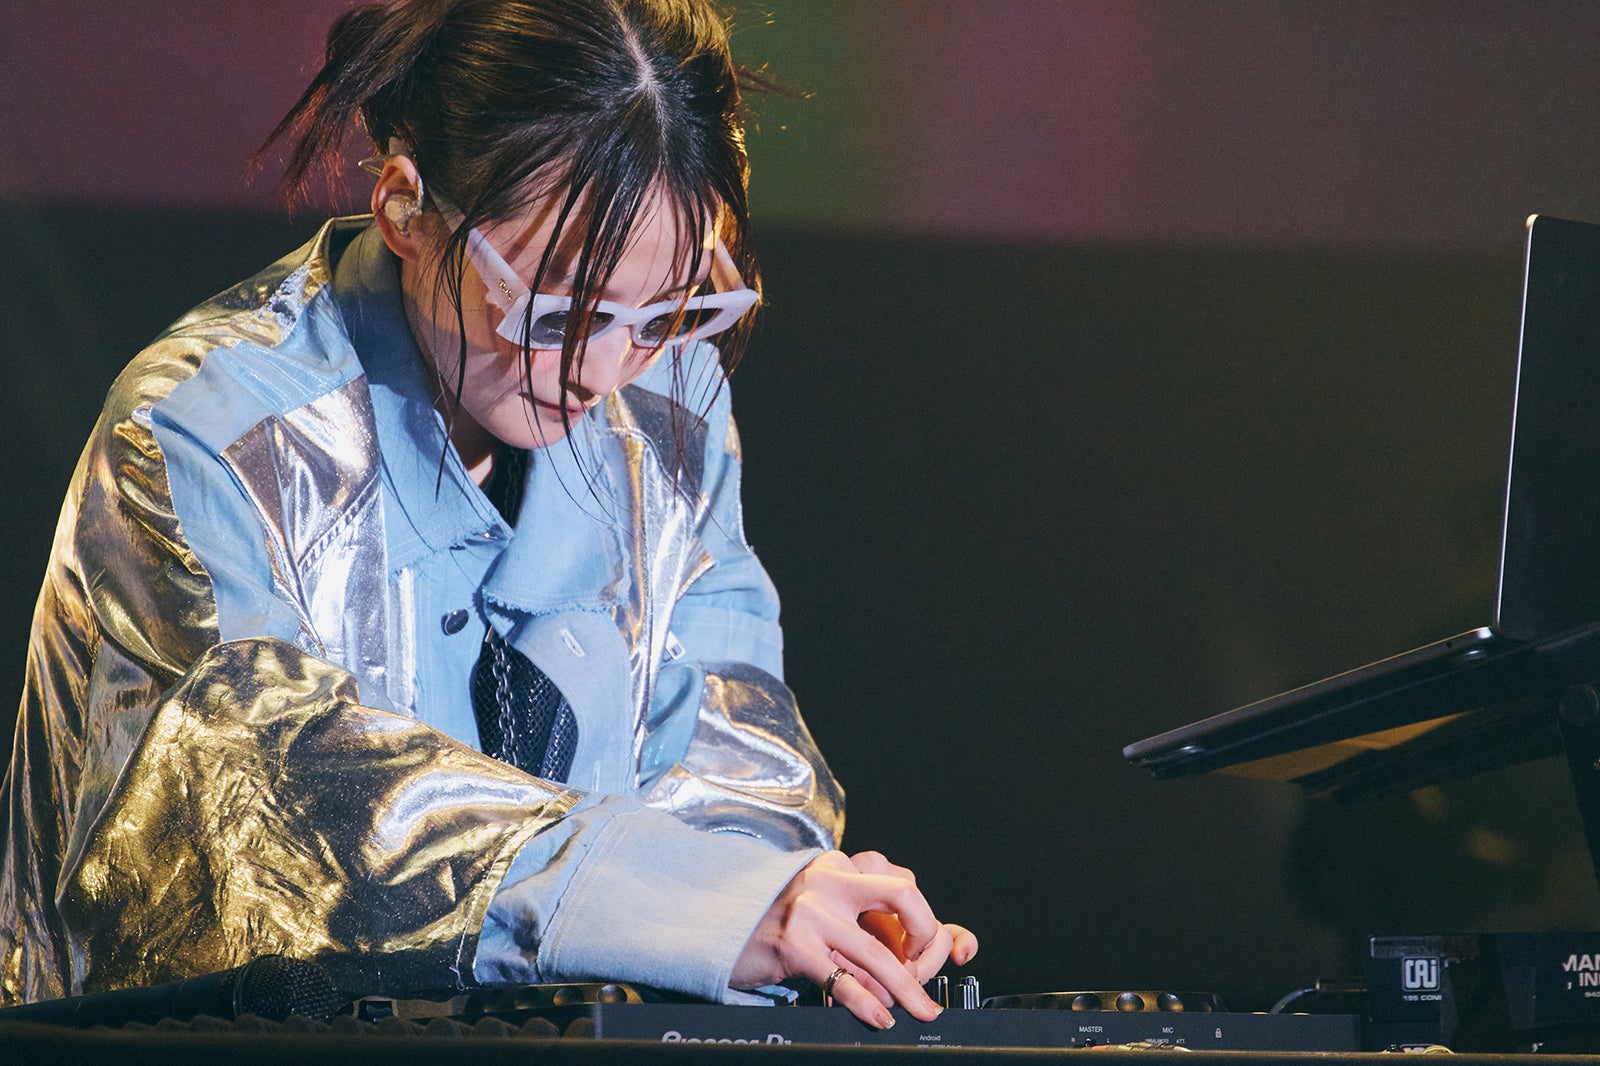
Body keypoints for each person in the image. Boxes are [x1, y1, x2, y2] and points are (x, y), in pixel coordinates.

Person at [0, 0, 974, 1028]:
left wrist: (791, 908)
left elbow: (733, 751)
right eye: (558, 311)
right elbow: (280, 805)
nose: (606, 366)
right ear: (404, 210)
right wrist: (697, 906)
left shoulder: (666, 405)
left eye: (669, 309)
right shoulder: (210, 430)